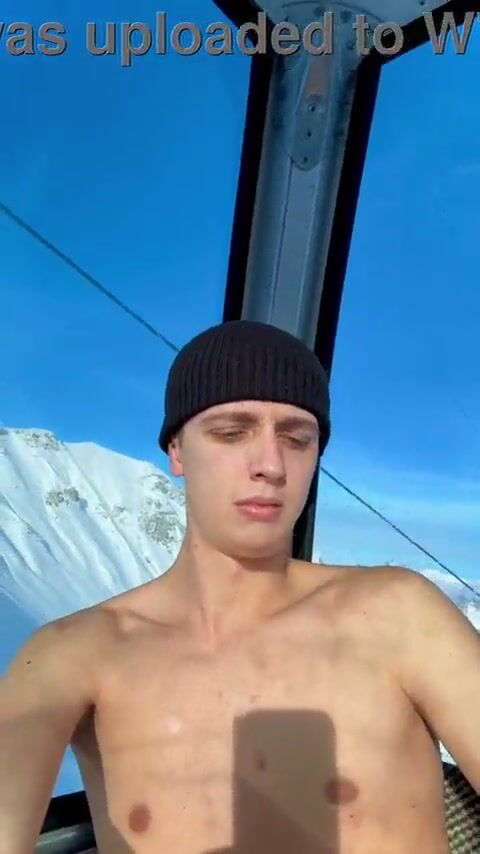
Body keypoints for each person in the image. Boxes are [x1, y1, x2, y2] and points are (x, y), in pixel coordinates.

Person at [1, 319, 479, 854]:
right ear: (176, 450)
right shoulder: (72, 656)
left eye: (297, 439)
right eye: (231, 433)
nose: (271, 465)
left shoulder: (400, 613)